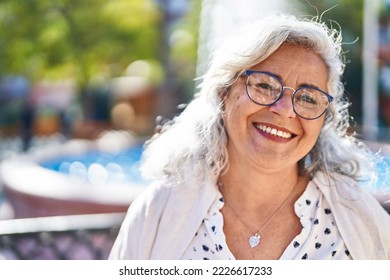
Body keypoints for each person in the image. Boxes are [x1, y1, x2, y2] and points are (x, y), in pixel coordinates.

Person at [109, 13, 390, 260]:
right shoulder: (156, 211)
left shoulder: (360, 219)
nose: (284, 111)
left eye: (307, 98)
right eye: (266, 85)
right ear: (223, 93)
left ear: (323, 118)